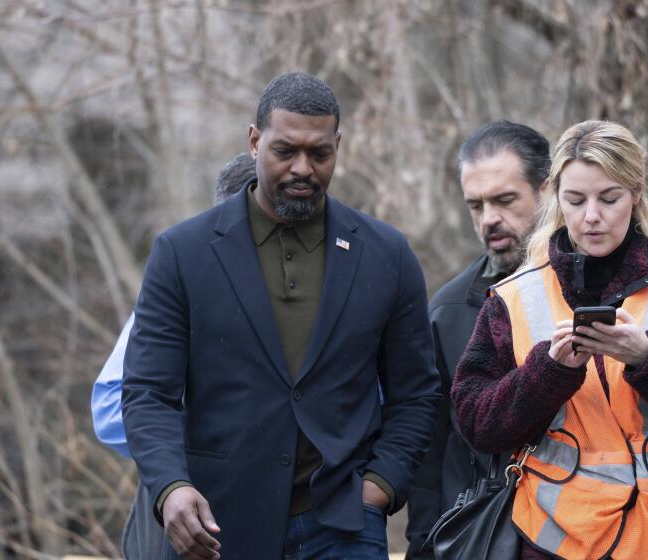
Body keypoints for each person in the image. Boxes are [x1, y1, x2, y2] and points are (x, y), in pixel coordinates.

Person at [121, 72, 439, 560]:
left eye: (319, 153)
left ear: (338, 146)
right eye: (284, 150)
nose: (302, 168)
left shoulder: (387, 255)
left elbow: (416, 393)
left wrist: (380, 486)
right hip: (215, 528)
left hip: (344, 527)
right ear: (254, 141)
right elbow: (147, 393)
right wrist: (171, 488)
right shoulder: (181, 252)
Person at [452, 120, 648, 560]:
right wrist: (550, 371)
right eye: (575, 200)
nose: (590, 216)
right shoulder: (514, 295)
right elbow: (475, 420)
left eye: (608, 198)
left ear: (636, 193)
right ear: (554, 197)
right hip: (557, 541)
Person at [90, 153, 255, 559]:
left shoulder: (331, 288)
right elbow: (111, 408)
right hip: (186, 509)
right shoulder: (179, 289)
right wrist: (203, 446)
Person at [405, 120, 549, 558]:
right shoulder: (449, 311)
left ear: (547, 191)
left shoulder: (602, 291)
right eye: (476, 205)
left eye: (505, 200)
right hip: (486, 539)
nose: (489, 220)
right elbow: (429, 453)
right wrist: (424, 548)